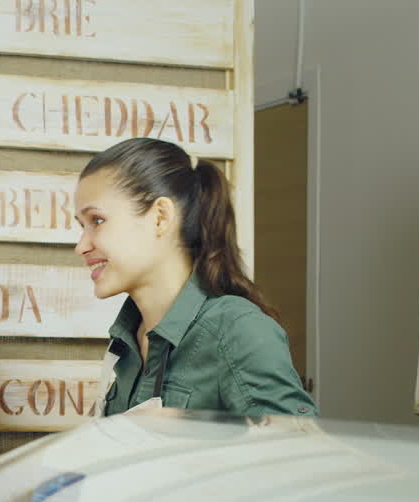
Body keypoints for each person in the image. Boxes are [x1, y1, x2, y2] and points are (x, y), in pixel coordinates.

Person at [74, 137, 317, 418]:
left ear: (160, 218)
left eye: (97, 221)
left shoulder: (236, 329)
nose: (81, 245)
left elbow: (299, 454)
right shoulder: (126, 343)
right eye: (82, 226)